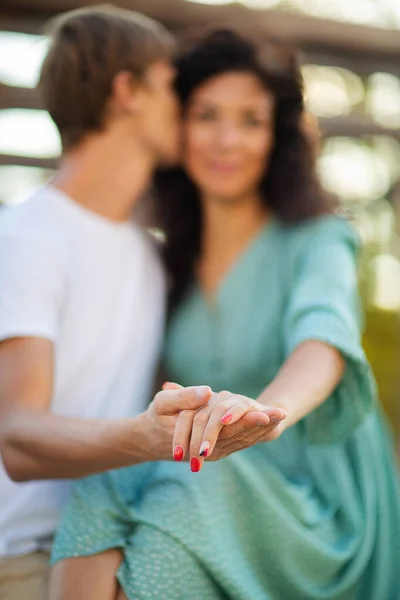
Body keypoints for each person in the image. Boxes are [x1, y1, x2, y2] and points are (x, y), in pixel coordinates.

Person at [50, 29, 400, 600]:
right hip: (218, 474)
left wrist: (269, 412)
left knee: (181, 511)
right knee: (98, 486)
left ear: (277, 137)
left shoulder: (318, 239)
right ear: (178, 126)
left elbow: (324, 338)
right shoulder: (164, 260)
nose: (227, 140)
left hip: (313, 500)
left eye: (251, 121)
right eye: (207, 115)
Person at [0, 12, 279, 600]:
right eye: (168, 84)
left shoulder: (149, 258)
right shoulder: (26, 237)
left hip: (116, 545)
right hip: (27, 562)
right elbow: (16, 437)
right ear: (128, 92)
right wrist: (153, 437)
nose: (184, 108)